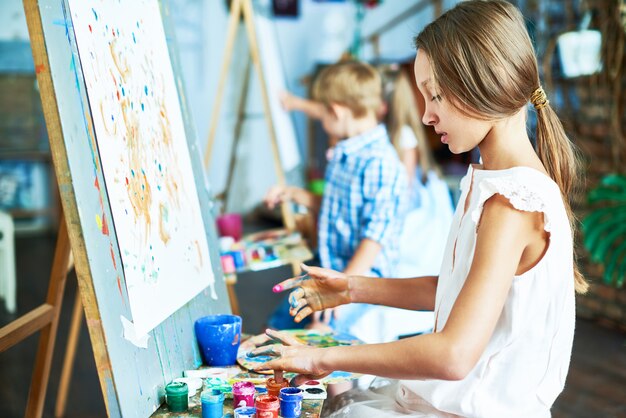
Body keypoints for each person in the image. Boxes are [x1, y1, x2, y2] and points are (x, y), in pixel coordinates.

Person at [251, 1, 589, 416]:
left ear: (482, 83)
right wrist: (352, 288)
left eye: (436, 96)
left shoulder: (511, 203)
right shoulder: (493, 180)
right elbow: (451, 288)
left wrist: (326, 356)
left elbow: (453, 355)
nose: (426, 115)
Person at [264, 61, 408, 334]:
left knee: (321, 333)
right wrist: (295, 195)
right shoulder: (344, 152)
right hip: (330, 265)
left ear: (337, 111)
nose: (320, 121)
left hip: (363, 274)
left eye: (321, 114)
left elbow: (373, 240)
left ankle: (336, 370)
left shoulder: (380, 162)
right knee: (275, 328)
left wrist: (343, 288)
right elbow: (339, 207)